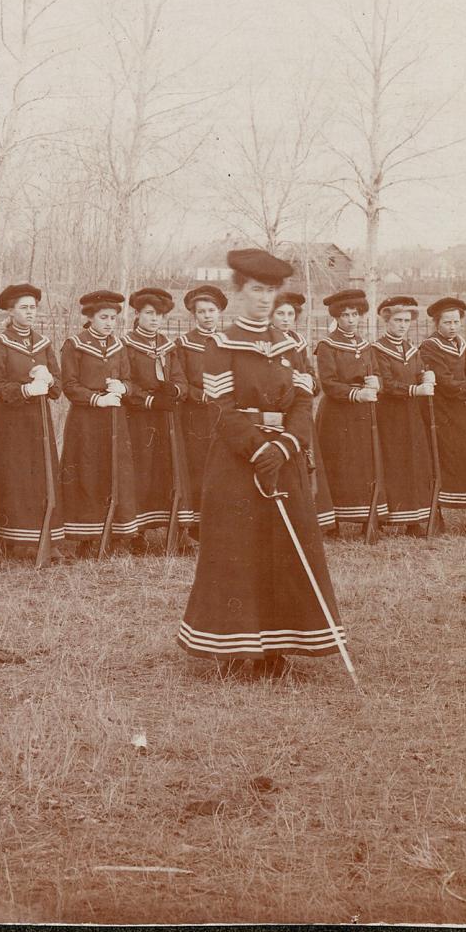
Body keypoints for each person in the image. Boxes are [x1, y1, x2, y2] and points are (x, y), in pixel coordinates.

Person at [177, 248, 346, 674]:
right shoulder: (220, 344)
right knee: (238, 551)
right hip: (237, 463)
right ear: (238, 291)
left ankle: (276, 650)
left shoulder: (291, 345)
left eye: (271, 291)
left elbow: (305, 402)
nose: (264, 299)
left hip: (284, 459)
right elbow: (222, 409)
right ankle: (237, 649)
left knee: (285, 550)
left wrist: (285, 446)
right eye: (255, 289)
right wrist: (257, 448)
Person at [0, 282, 63, 561]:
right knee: (13, 478)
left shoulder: (44, 343)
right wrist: (24, 389)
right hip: (10, 422)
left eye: (33, 308)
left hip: (39, 421)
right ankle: (11, 539)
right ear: (10, 311)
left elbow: (58, 386)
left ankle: (46, 537)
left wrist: (50, 378)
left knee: (41, 476)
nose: (30, 313)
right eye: (24, 308)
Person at [59, 290, 140, 555]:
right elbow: (69, 385)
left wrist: (123, 388)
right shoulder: (75, 344)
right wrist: (96, 399)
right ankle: (86, 537)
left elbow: (129, 380)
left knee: (115, 472)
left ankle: (118, 535)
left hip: (115, 419)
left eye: (113, 318)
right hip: (86, 421)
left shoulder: (119, 346)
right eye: (103, 317)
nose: (108, 323)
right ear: (90, 318)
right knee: (87, 472)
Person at [415, 296, 466, 533]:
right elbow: (445, 382)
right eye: (447, 322)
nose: (452, 326)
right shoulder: (429, 346)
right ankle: (436, 513)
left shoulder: (461, 343)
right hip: (437, 409)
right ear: (437, 323)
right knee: (438, 458)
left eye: (456, 322)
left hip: (457, 408)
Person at [364, 295, 435, 536]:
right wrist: (415, 388)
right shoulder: (377, 349)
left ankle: (414, 520)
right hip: (389, 414)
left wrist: (426, 376)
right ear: (387, 321)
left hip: (411, 413)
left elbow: (417, 373)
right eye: (397, 320)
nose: (403, 325)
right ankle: (387, 516)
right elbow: (385, 382)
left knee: (414, 461)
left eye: (406, 320)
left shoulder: (412, 349)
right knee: (393, 462)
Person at [122, 287, 185, 553]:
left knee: (166, 469)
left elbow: (181, 379)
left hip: (166, 419)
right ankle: (136, 532)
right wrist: (148, 399)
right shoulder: (127, 345)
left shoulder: (168, 346)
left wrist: (175, 390)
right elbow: (125, 380)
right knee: (141, 471)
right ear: (137, 314)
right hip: (138, 417)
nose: (155, 319)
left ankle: (172, 528)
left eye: (159, 315)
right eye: (149, 314)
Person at [312, 289, 378, 535]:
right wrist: (355, 393)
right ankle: (333, 521)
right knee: (338, 463)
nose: (351, 319)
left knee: (362, 463)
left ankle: (366, 518)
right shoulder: (327, 345)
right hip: (337, 414)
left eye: (355, 314)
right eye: (345, 315)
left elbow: (375, 370)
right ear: (337, 318)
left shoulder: (365, 344)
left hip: (362, 413)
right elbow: (328, 383)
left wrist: (375, 382)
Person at [270, 289, 330, 531]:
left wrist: (309, 384)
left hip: (299, 410)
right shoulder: (265, 341)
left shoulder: (298, 342)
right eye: (280, 313)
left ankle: (305, 517)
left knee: (303, 465)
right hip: (276, 414)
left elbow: (311, 376)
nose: (286, 318)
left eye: (290, 314)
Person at [175, 283, 227, 540]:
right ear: (194, 315)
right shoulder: (184, 344)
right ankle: (196, 525)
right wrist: (201, 394)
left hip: (224, 414)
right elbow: (181, 381)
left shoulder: (230, 341)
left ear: (220, 313)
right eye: (202, 312)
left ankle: (221, 522)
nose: (207, 316)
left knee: (224, 467)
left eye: (211, 311)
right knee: (198, 466)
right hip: (195, 416)